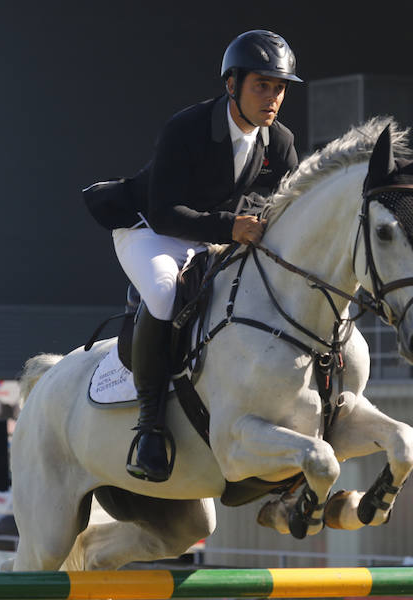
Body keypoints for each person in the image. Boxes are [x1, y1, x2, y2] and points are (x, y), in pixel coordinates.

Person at [110, 30, 302, 482]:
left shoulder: (280, 143)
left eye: (280, 88)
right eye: (262, 85)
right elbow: (165, 213)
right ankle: (150, 426)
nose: (272, 98)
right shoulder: (189, 127)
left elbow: (288, 208)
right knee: (162, 293)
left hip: (217, 238)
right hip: (152, 232)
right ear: (231, 84)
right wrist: (230, 229)